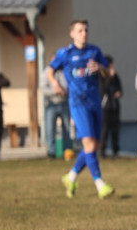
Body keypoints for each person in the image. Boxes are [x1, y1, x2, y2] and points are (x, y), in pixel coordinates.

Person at [48, 19, 115, 199]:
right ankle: (100, 185)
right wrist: (55, 84)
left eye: (85, 30)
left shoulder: (94, 51)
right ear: (72, 34)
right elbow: (50, 70)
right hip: (78, 102)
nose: (84, 33)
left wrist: (100, 67)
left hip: (95, 101)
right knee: (89, 144)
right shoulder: (65, 53)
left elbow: (109, 73)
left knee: (95, 146)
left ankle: (70, 177)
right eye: (80, 30)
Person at [40, 67, 71, 158]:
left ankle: (67, 152)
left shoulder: (65, 71)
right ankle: (51, 152)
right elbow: (43, 88)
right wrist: (55, 91)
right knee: (50, 129)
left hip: (64, 103)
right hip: (51, 104)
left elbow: (70, 84)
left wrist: (64, 91)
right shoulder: (46, 72)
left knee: (67, 128)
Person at [99, 55, 123, 157]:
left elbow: (120, 88)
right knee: (104, 130)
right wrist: (109, 78)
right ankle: (102, 150)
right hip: (104, 107)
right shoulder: (100, 76)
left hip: (114, 106)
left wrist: (119, 92)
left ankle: (115, 150)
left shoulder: (115, 76)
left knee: (115, 130)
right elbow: (103, 90)